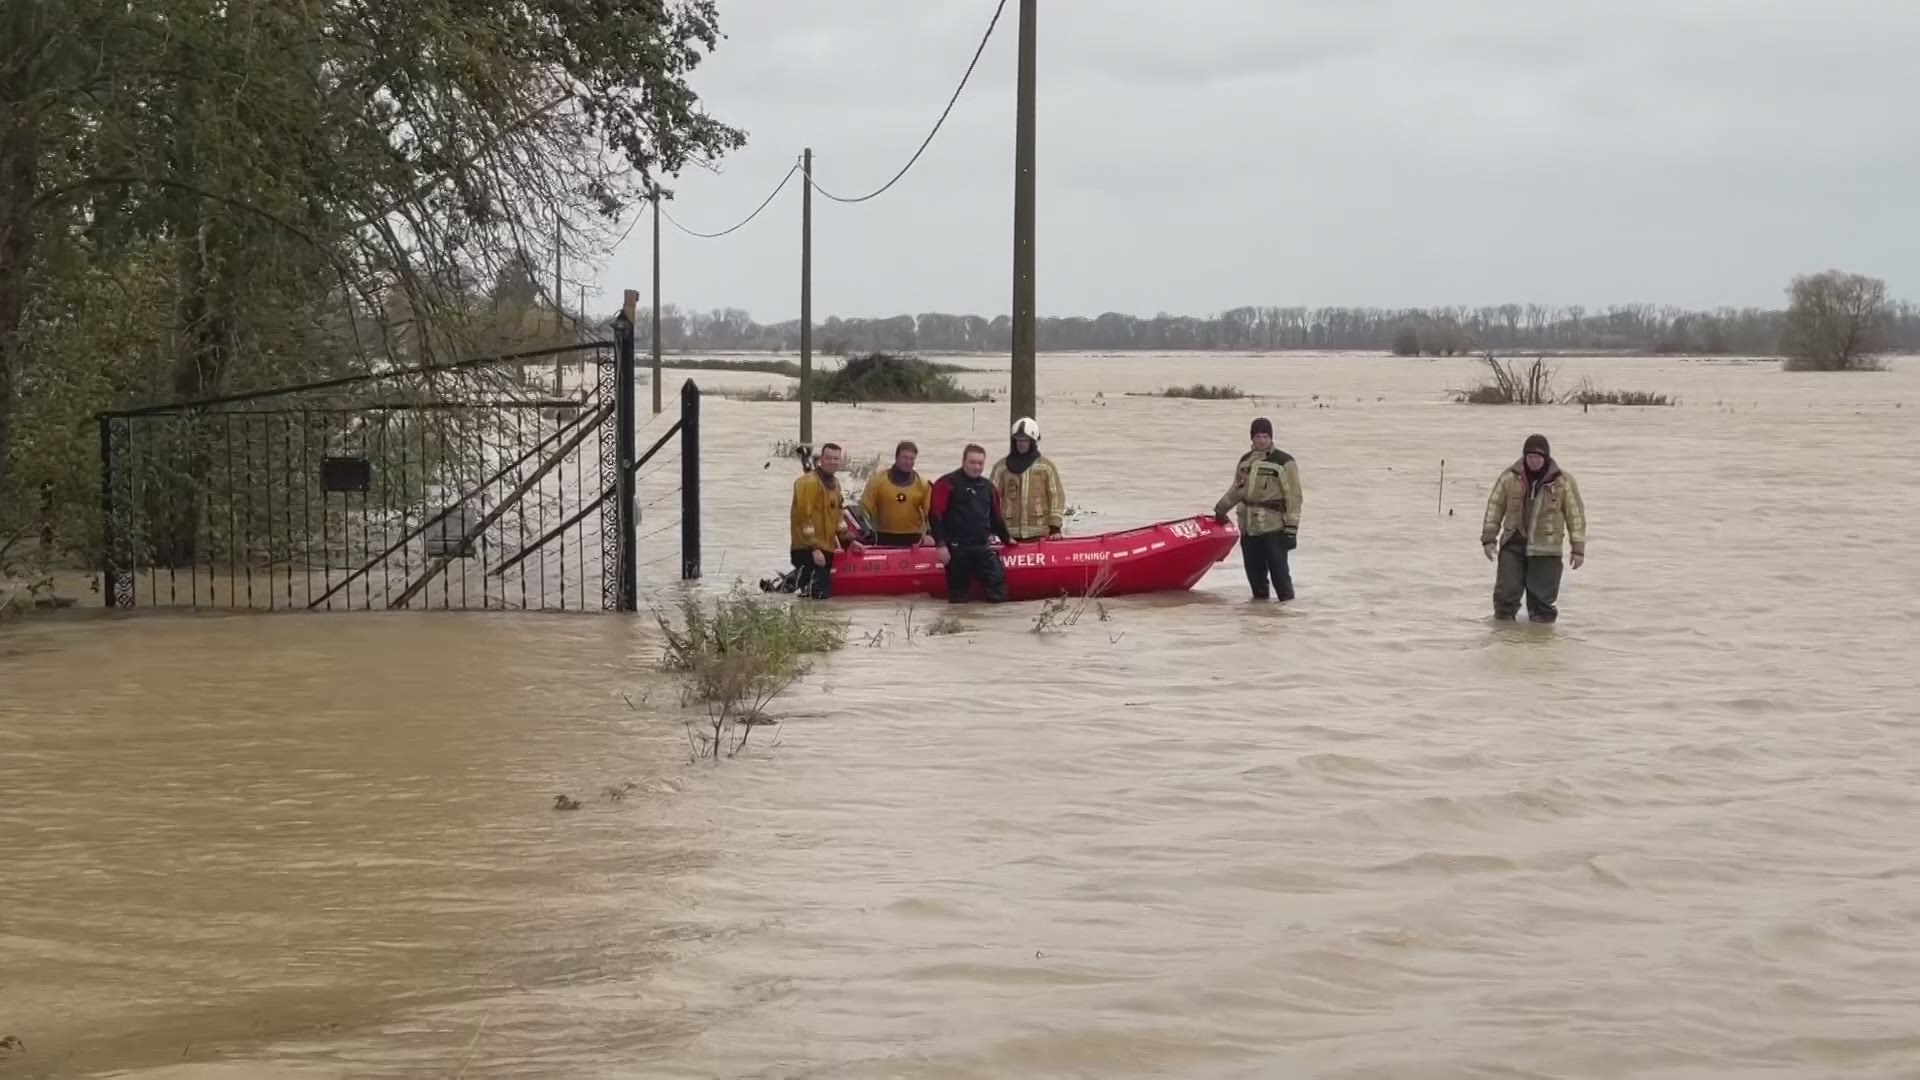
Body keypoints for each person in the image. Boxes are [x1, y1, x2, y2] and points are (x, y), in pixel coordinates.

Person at [1481, 433, 1586, 622]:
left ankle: (1541, 638)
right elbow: (1494, 507)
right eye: (1530, 457)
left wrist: (1578, 549)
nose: (1534, 461)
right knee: (1505, 595)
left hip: (1547, 548)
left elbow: (1575, 515)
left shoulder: (1563, 482)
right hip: (1513, 543)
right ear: (1524, 457)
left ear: (1546, 458)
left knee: (1542, 605)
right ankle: (1504, 636)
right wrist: (1489, 539)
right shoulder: (1509, 478)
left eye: (1538, 457)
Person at [1213, 416, 1304, 601]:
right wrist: (1220, 510)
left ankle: (1287, 615)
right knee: (1256, 580)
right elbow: (1236, 490)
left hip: (1274, 529)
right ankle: (1260, 615)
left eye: (1265, 436)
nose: (1262, 440)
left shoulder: (1284, 462)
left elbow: (1294, 498)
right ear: (1252, 438)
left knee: (1281, 579)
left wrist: (1291, 530)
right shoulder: (1245, 462)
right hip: (1249, 529)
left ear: (1271, 437)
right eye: (1258, 436)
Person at [929, 443, 1016, 603]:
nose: (976, 467)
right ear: (963, 461)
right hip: (957, 549)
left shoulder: (988, 487)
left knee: (999, 594)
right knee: (959, 599)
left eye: (980, 463)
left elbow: (996, 517)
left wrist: (1007, 539)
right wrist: (940, 545)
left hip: (982, 547)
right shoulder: (946, 483)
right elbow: (935, 515)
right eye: (972, 462)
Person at [788, 441, 861, 599]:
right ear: (821, 459)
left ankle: (779, 592)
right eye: (828, 458)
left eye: (836, 459)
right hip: (807, 549)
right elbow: (803, 518)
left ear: (840, 461)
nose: (832, 462)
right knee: (818, 596)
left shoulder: (835, 485)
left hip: (825, 549)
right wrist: (814, 548)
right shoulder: (808, 483)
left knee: (812, 593)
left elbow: (838, 517)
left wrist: (849, 540)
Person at [991, 416, 1066, 541]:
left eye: (1025, 440)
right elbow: (990, 500)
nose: (1021, 444)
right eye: (1018, 440)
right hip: (1010, 535)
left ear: (1032, 442)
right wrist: (990, 529)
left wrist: (1055, 527)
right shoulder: (1001, 468)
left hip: (1039, 533)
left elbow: (1056, 497)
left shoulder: (1046, 467)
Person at [859, 440, 935, 548]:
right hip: (884, 536)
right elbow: (864, 509)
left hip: (913, 538)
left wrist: (929, 534)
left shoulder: (923, 484)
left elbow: (931, 513)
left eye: (911, 458)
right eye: (904, 457)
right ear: (896, 457)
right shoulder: (878, 480)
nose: (908, 462)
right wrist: (867, 530)